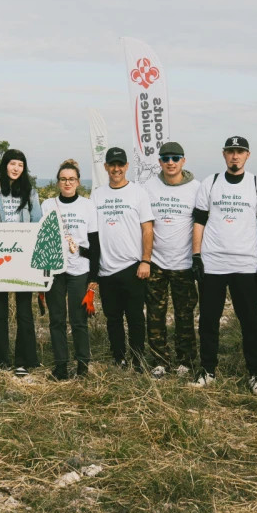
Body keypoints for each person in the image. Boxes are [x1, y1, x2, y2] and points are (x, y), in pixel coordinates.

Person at [192, 136, 257, 395]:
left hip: (246, 265)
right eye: (230, 152)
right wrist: (196, 255)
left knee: (250, 321)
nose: (235, 156)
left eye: (240, 152)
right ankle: (207, 370)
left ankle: (255, 373)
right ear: (224, 154)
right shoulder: (211, 182)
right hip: (213, 264)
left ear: (247, 155)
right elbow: (199, 221)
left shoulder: (256, 184)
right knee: (208, 320)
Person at [0, 149, 43, 376]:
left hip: (24, 259)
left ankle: (24, 361)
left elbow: (37, 225)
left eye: (20, 165)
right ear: (4, 165)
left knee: (25, 311)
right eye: (12, 164)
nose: (16, 168)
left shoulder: (30, 193)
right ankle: (0, 360)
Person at [92, 147, 154, 371]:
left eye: (120, 164)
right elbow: (92, 231)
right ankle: (119, 357)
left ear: (127, 166)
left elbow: (147, 229)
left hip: (132, 266)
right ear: (106, 167)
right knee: (113, 318)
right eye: (112, 164)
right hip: (106, 268)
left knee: (136, 317)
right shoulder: (97, 194)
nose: (116, 169)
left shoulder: (138, 193)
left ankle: (138, 359)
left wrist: (145, 260)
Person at [144, 141, 201, 378]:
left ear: (183, 161)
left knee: (184, 314)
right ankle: (160, 361)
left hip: (184, 263)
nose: (170, 162)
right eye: (166, 158)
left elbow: (202, 223)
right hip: (156, 262)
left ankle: (185, 360)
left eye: (175, 158)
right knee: (155, 315)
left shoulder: (197, 188)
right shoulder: (148, 187)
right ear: (159, 162)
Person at [41, 159, 100, 380]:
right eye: (63, 179)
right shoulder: (47, 205)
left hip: (79, 270)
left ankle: (83, 367)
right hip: (55, 270)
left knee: (78, 320)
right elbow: (42, 240)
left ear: (78, 182)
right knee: (56, 319)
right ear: (57, 182)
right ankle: (61, 367)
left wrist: (94, 276)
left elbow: (94, 242)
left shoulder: (87, 205)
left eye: (72, 179)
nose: (67, 183)